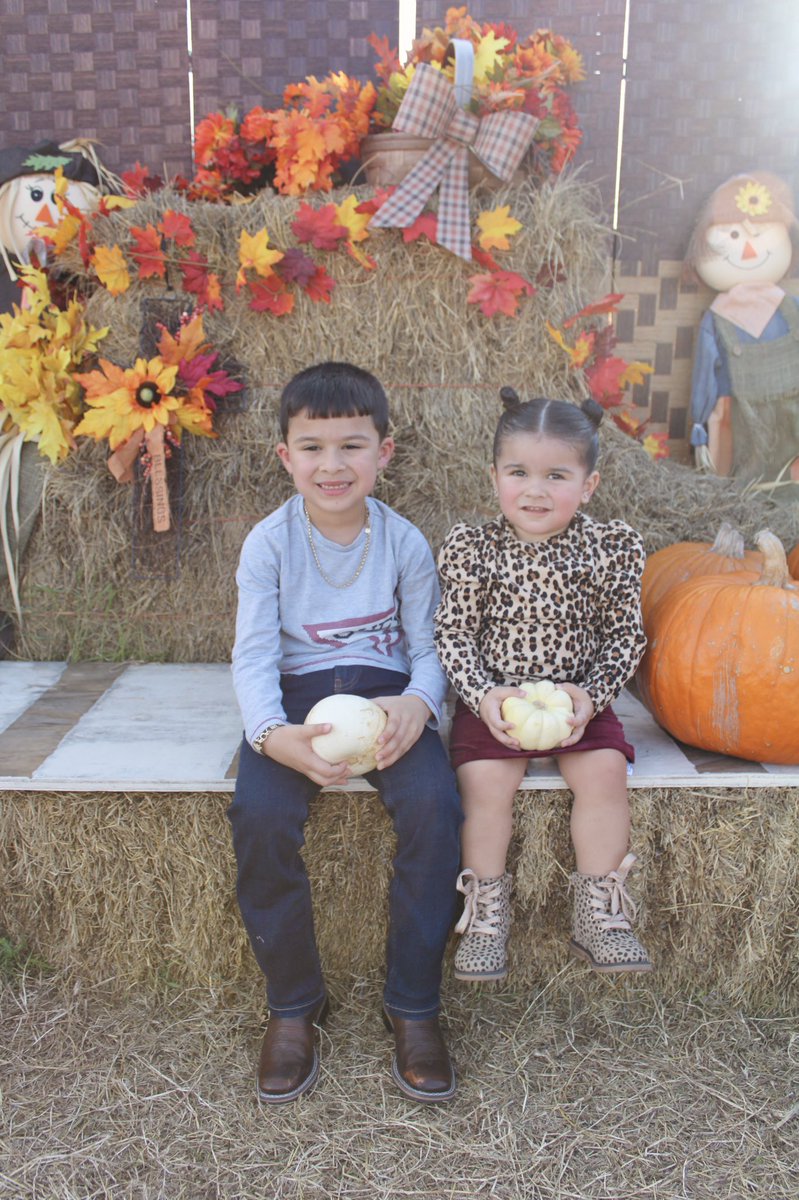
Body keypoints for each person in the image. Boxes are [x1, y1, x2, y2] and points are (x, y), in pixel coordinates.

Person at [229, 361, 462, 1105]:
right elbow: (253, 656)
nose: (332, 465)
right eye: (312, 447)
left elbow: (430, 648)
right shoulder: (269, 544)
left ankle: (413, 1004)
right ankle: (294, 1003)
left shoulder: (403, 542)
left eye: (351, 446)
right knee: (260, 815)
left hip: (384, 693)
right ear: (285, 456)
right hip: (298, 698)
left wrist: (419, 704)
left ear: (383, 452)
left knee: (435, 807)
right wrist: (271, 734)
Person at [434, 388, 653, 982]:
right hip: (497, 699)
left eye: (556, 475)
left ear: (588, 485)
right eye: (519, 473)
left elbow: (625, 636)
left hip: (578, 697)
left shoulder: (609, 549)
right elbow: (453, 633)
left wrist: (593, 695)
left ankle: (599, 910)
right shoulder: (474, 549)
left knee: (605, 773)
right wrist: (482, 695)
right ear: (494, 477)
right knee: (484, 782)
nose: (535, 490)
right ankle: (486, 912)